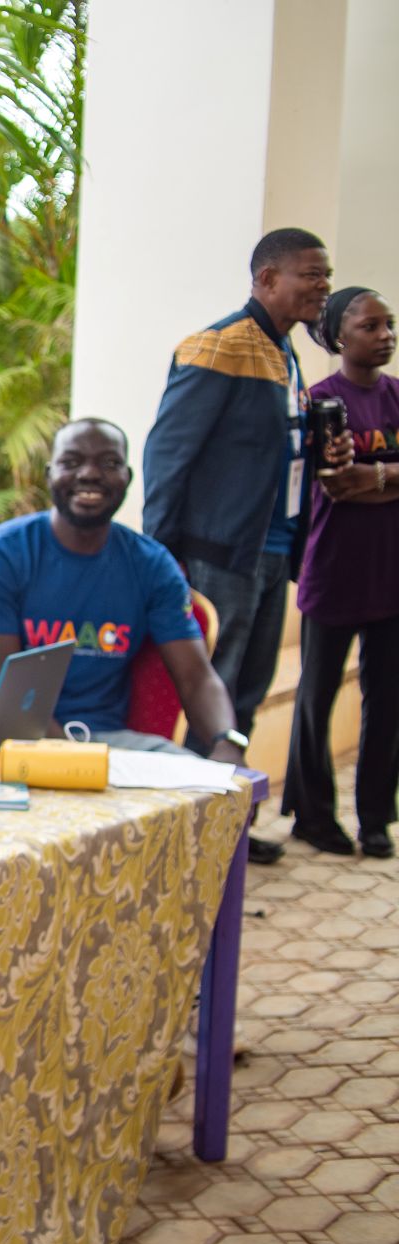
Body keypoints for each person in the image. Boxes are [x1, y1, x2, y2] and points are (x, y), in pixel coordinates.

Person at [143, 227, 332, 861]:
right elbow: (168, 456)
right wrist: (159, 560)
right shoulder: (218, 346)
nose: (323, 287)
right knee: (210, 695)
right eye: (311, 274)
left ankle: (228, 829)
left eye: (326, 276)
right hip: (217, 558)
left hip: (271, 553)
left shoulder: (286, 352)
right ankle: (183, 839)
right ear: (267, 279)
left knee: (245, 693)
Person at [0, 419, 248, 765]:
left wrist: (228, 742)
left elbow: (196, 678)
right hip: (2, 740)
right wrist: (77, 763)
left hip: (107, 742)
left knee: (204, 784)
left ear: (127, 478)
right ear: (49, 475)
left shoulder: (151, 564)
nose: (89, 474)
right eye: (71, 462)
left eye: (109, 463)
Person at [283, 287, 399, 858]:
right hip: (333, 571)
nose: (385, 336)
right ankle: (313, 815)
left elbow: (358, 481)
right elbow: (336, 486)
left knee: (388, 701)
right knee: (316, 697)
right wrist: (389, 479)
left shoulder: (398, 395)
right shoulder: (320, 401)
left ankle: (375, 818)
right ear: (338, 336)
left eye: (389, 325)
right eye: (370, 326)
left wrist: (374, 478)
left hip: (392, 574)